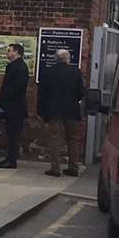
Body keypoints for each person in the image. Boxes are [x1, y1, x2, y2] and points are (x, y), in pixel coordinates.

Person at [38, 47, 85, 177]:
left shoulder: (47, 72)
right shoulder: (76, 72)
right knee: (73, 139)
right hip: (71, 110)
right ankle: (73, 167)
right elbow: (81, 92)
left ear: (56, 59)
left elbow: (42, 94)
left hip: (53, 110)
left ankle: (55, 168)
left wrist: (41, 111)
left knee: (55, 139)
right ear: (67, 59)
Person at [0, 42, 30, 168]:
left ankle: (12, 160)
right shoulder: (14, 66)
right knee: (11, 134)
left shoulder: (19, 67)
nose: (7, 52)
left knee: (13, 135)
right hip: (12, 106)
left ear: (16, 52)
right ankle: (9, 158)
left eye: (9, 50)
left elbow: (17, 87)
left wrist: (5, 99)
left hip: (14, 107)